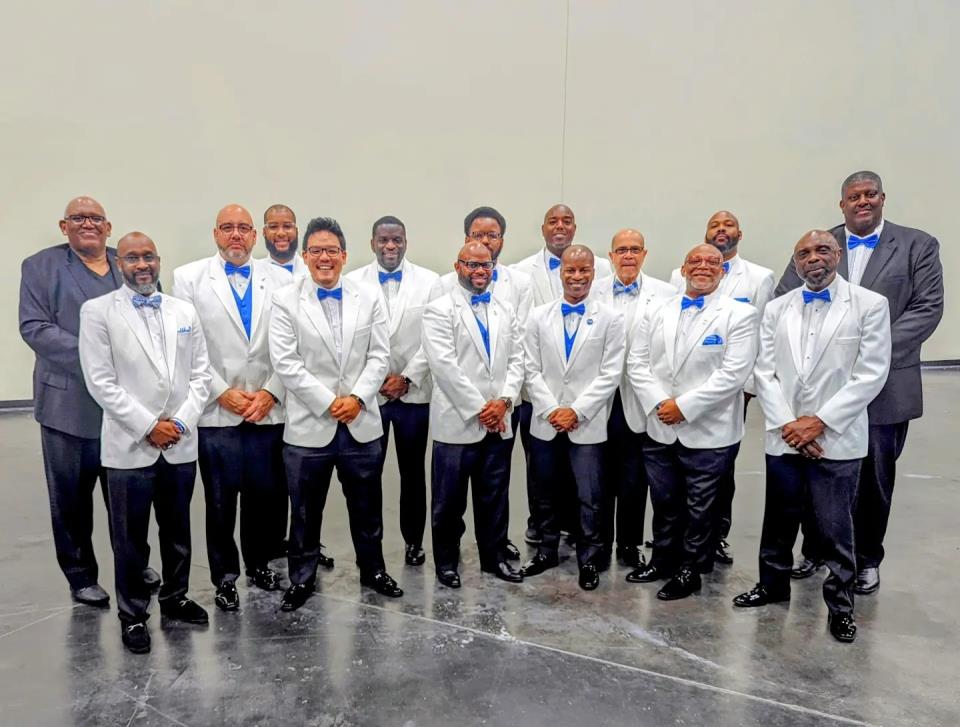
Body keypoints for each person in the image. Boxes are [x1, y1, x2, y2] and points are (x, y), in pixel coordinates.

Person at [775, 172, 943, 592]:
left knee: (873, 480)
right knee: (815, 470)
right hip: (818, 388)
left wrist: (870, 353)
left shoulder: (917, 245)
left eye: (870, 195)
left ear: (883, 198)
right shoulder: (817, 244)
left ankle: (867, 559)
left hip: (886, 388)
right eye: (854, 196)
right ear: (842, 204)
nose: (862, 201)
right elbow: (783, 300)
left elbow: (927, 309)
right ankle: (816, 550)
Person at [734, 230, 891, 643]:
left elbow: (871, 374)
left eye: (822, 250)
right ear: (796, 262)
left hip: (836, 437)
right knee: (778, 518)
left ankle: (840, 606)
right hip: (785, 435)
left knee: (836, 526)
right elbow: (764, 372)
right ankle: (772, 585)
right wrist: (790, 425)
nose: (813, 258)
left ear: (837, 254)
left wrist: (819, 422)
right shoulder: (777, 308)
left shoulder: (870, 305)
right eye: (803, 253)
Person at [19, 197, 159, 607]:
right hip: (69, 405)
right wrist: (98, 358)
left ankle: (134, 563)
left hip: (126, 406)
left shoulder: (129, 260)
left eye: (96, 218)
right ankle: (80, 575)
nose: (88, 224)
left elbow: (156, 317)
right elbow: (35, 328)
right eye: (78, 218)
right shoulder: (41, 266)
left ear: (108, 226)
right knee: (71, 499)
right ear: (63, 226)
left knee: (128, 496)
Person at [78, 232, 213, 654]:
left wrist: (180, 423)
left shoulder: (183, 310)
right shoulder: (98, 311)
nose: (142, 265)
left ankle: (176, 597)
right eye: (133, 257)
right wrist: (149, 425)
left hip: (179, 442)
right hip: (129, 444)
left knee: (178, 530)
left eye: (149, 257)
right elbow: (100, 382)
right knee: (130, 538)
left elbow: (202, 375)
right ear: (119, 263)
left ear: (159, 260)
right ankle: (133, 614)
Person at [269, 216, 402, 611]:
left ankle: (373, 570)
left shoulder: (368, 296)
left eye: (331, 250)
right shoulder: (285, 300)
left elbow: (379, 356)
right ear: (305, 256)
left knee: (368, 506)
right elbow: (286, 362)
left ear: (344, 255)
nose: (324, 258)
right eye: (316, 251)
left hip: (361, 422)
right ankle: (302, 578)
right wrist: (330, 403)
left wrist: (357, 398)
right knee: (305, 511)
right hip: (310, 426)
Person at [171, 204, 287, 612]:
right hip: (217, 410)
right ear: (215, 233)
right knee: (220, 500)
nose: (235, 235)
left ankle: (259, 564)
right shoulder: (188, 278)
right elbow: (186, 347)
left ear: (255, 235)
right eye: (227, 228)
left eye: (243, 228)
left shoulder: (282, 278)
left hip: (266, 408)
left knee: (264, 496)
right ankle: (224, 576)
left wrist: (271, 392)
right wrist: (221, 392)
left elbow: (293, 343)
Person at [626, 244, 758, 600]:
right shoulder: (657, 310)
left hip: (710, 429)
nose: (703, 266)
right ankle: (662, 559)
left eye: (712, 262)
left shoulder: (740, 315)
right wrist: (660, 404)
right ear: (683, 269)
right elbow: (637, 363)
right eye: (695, 261)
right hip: (660, 425)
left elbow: (734, 374)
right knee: (665, 500)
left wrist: (683, 407)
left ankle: (691, 570)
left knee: (701, 507)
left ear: (723, 271)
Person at [669, 211, 774, 565]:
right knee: (680, 470)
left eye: (728, 225)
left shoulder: (759, 278)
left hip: (730, 392)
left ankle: (716, 536)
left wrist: (747, 388)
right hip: (679, 392)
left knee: (719, 471)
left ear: (739, 234)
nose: (721, 230)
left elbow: (760, 336)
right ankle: (683, 537)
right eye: (714, 225)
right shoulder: (678, 276)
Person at [520, 245, 625, 590]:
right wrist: (553, 410)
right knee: (544, 490)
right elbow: (530, 369)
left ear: (594, 273)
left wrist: (576, 411)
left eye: (584, 270)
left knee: (589, 494)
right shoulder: (538, 316)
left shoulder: (611, 319)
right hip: (546, 421)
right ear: (560, 272)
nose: (577, 277)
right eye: (570, 270)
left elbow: (610, 374)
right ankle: (546, 550)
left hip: (587, 422)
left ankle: (589, 559)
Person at [431, 206, 533, 561]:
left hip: (499, 419)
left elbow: (518, 358)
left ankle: (494, 558)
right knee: (449, 500)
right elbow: (444, 366)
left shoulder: (505, 308)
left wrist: (504, 401)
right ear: (458, 265)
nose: (479, 271)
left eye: (485, 265)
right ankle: (447, 561)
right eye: (471, 264)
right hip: (458, 420)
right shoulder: (439, 308)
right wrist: (481, 409)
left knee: (494, 496)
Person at [511, 204, 611, 545]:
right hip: (542, 400)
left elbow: (608, 358)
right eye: (552, 221)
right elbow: (525, 346)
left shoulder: (604, 272)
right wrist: (550, 405)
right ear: (542, 228)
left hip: (586, 403)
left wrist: (578, 408)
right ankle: (543, 532)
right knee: (541, 475)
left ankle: (583, 537)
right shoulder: (521, 273)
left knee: (586, 480)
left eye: (567, 221)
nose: (560, 226)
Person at [345, 215, 439, 566]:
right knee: (367, 475)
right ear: (372, 243)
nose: (390, 246)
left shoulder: (430, 282)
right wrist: (376, 381)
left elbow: (434, 339)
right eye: (383, 239)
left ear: (405, 242)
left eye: (396, 239)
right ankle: (371, 549)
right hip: (370, 397)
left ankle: (414, 541)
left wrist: (408, 378)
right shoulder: (353, 282)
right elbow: (350, 341)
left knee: (413, 474)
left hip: (414, 395)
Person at [592, 229, 675, 569]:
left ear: (644, 254)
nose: (628, 255)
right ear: (611, 256)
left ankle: (629, 544)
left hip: (639, 399)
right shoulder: (591, 290)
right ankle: (597, 546)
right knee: (597, 478)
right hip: (597, 399)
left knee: (633, 478)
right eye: (622, 250)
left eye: (635, 249)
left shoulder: (666, 294)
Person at [261, 204, 308, 284]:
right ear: (264, 232)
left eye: (287, 226)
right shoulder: (254, 272)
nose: (281, 233)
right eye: (273, 227)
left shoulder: (311, 270)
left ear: (296, 231)